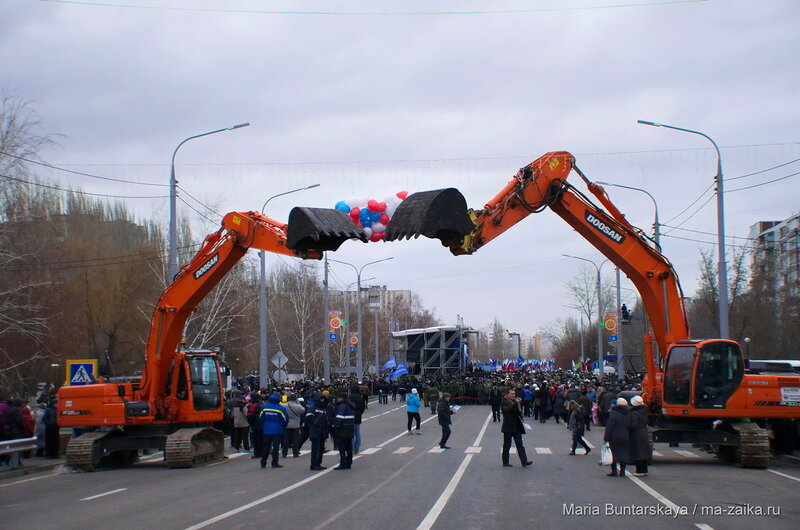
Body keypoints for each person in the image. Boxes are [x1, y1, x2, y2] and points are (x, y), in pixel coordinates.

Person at [500, 388, 532, 467]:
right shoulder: (504, 402)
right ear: (507, 394)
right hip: (508, 426)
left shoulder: (515, 402)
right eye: (512, 394)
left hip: (516, 426)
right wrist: (515, 403)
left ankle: (524, 461)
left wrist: (522, 416)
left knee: (520, 444)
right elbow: (506, 410)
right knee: (507, 445)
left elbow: (518, 411)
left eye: (514, 394)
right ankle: (505, 462)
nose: (514, 395)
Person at [603, 397, 632, 477]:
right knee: (624, 452)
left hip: (614, 435)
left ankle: (614, 471)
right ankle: (623, 471)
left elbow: (610, 426)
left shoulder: (614, 413)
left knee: (613, 453)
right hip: (625, 434)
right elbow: (631, 425)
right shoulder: (629, 413)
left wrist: (606, 438)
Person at [259, 394, 288, 469]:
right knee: (276, 447)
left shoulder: (265, 407)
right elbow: (285, 419)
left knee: (266, 446)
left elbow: (261, 418)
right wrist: (283, 426)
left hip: (267, 429)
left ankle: (263, 462)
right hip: (278, 429)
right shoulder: (281, 408)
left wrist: (265, 424)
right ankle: (274, 462)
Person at [628, 395, 651, 476]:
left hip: (637, 434)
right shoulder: (644, 411)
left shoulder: (635, 413)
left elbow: (633, 425)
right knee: (643, 452)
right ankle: (644, 470)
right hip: (644, 433)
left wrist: (629, 428)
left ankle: (639, 471)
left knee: (637, 452)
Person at [307, 392, 329, 470]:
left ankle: (318, 463)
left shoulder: (323, 408)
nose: (322, 400)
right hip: (316, 431)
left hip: (322, 431)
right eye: (321, 399)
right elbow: (309, 417)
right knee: (316, 448)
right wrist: (317, 423)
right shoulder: (313, 407)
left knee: (321, 448)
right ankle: (314, 464)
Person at [333, 391, 355, 470]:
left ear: (341, 398)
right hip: (350, 427)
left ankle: (343, 463)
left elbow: (340, 417)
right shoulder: (350, 405)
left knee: (342, 447)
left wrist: (337, 427)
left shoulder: (342, 406)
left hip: (343, 428)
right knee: (349, 446)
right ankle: (349, 462)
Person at [282, 394, 305, 458]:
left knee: (285, 440)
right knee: (295, 440)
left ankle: (284, 453)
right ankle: (295, 453)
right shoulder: (297, 406)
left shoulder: (284, 405)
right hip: (295, 424)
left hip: (286, 424)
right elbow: (303, 410)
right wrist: (298, 403)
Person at [348, 385, 366, 453]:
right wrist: (360, 413)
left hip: (351, 416)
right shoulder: (360, 398)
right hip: (358, 416)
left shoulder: (350, 398)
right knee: (357, 432)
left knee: (352, 433)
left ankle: (352, 448)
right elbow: (363, 407)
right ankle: (357, 448)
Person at [247, 394, 263, 459]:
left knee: (256, 440)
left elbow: (250, 416)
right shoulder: (262, 405)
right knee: (262, 439)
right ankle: (262, 452)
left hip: (256, 425)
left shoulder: (253, 406)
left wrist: (251, 423)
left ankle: (257, 453)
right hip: (263, 425)